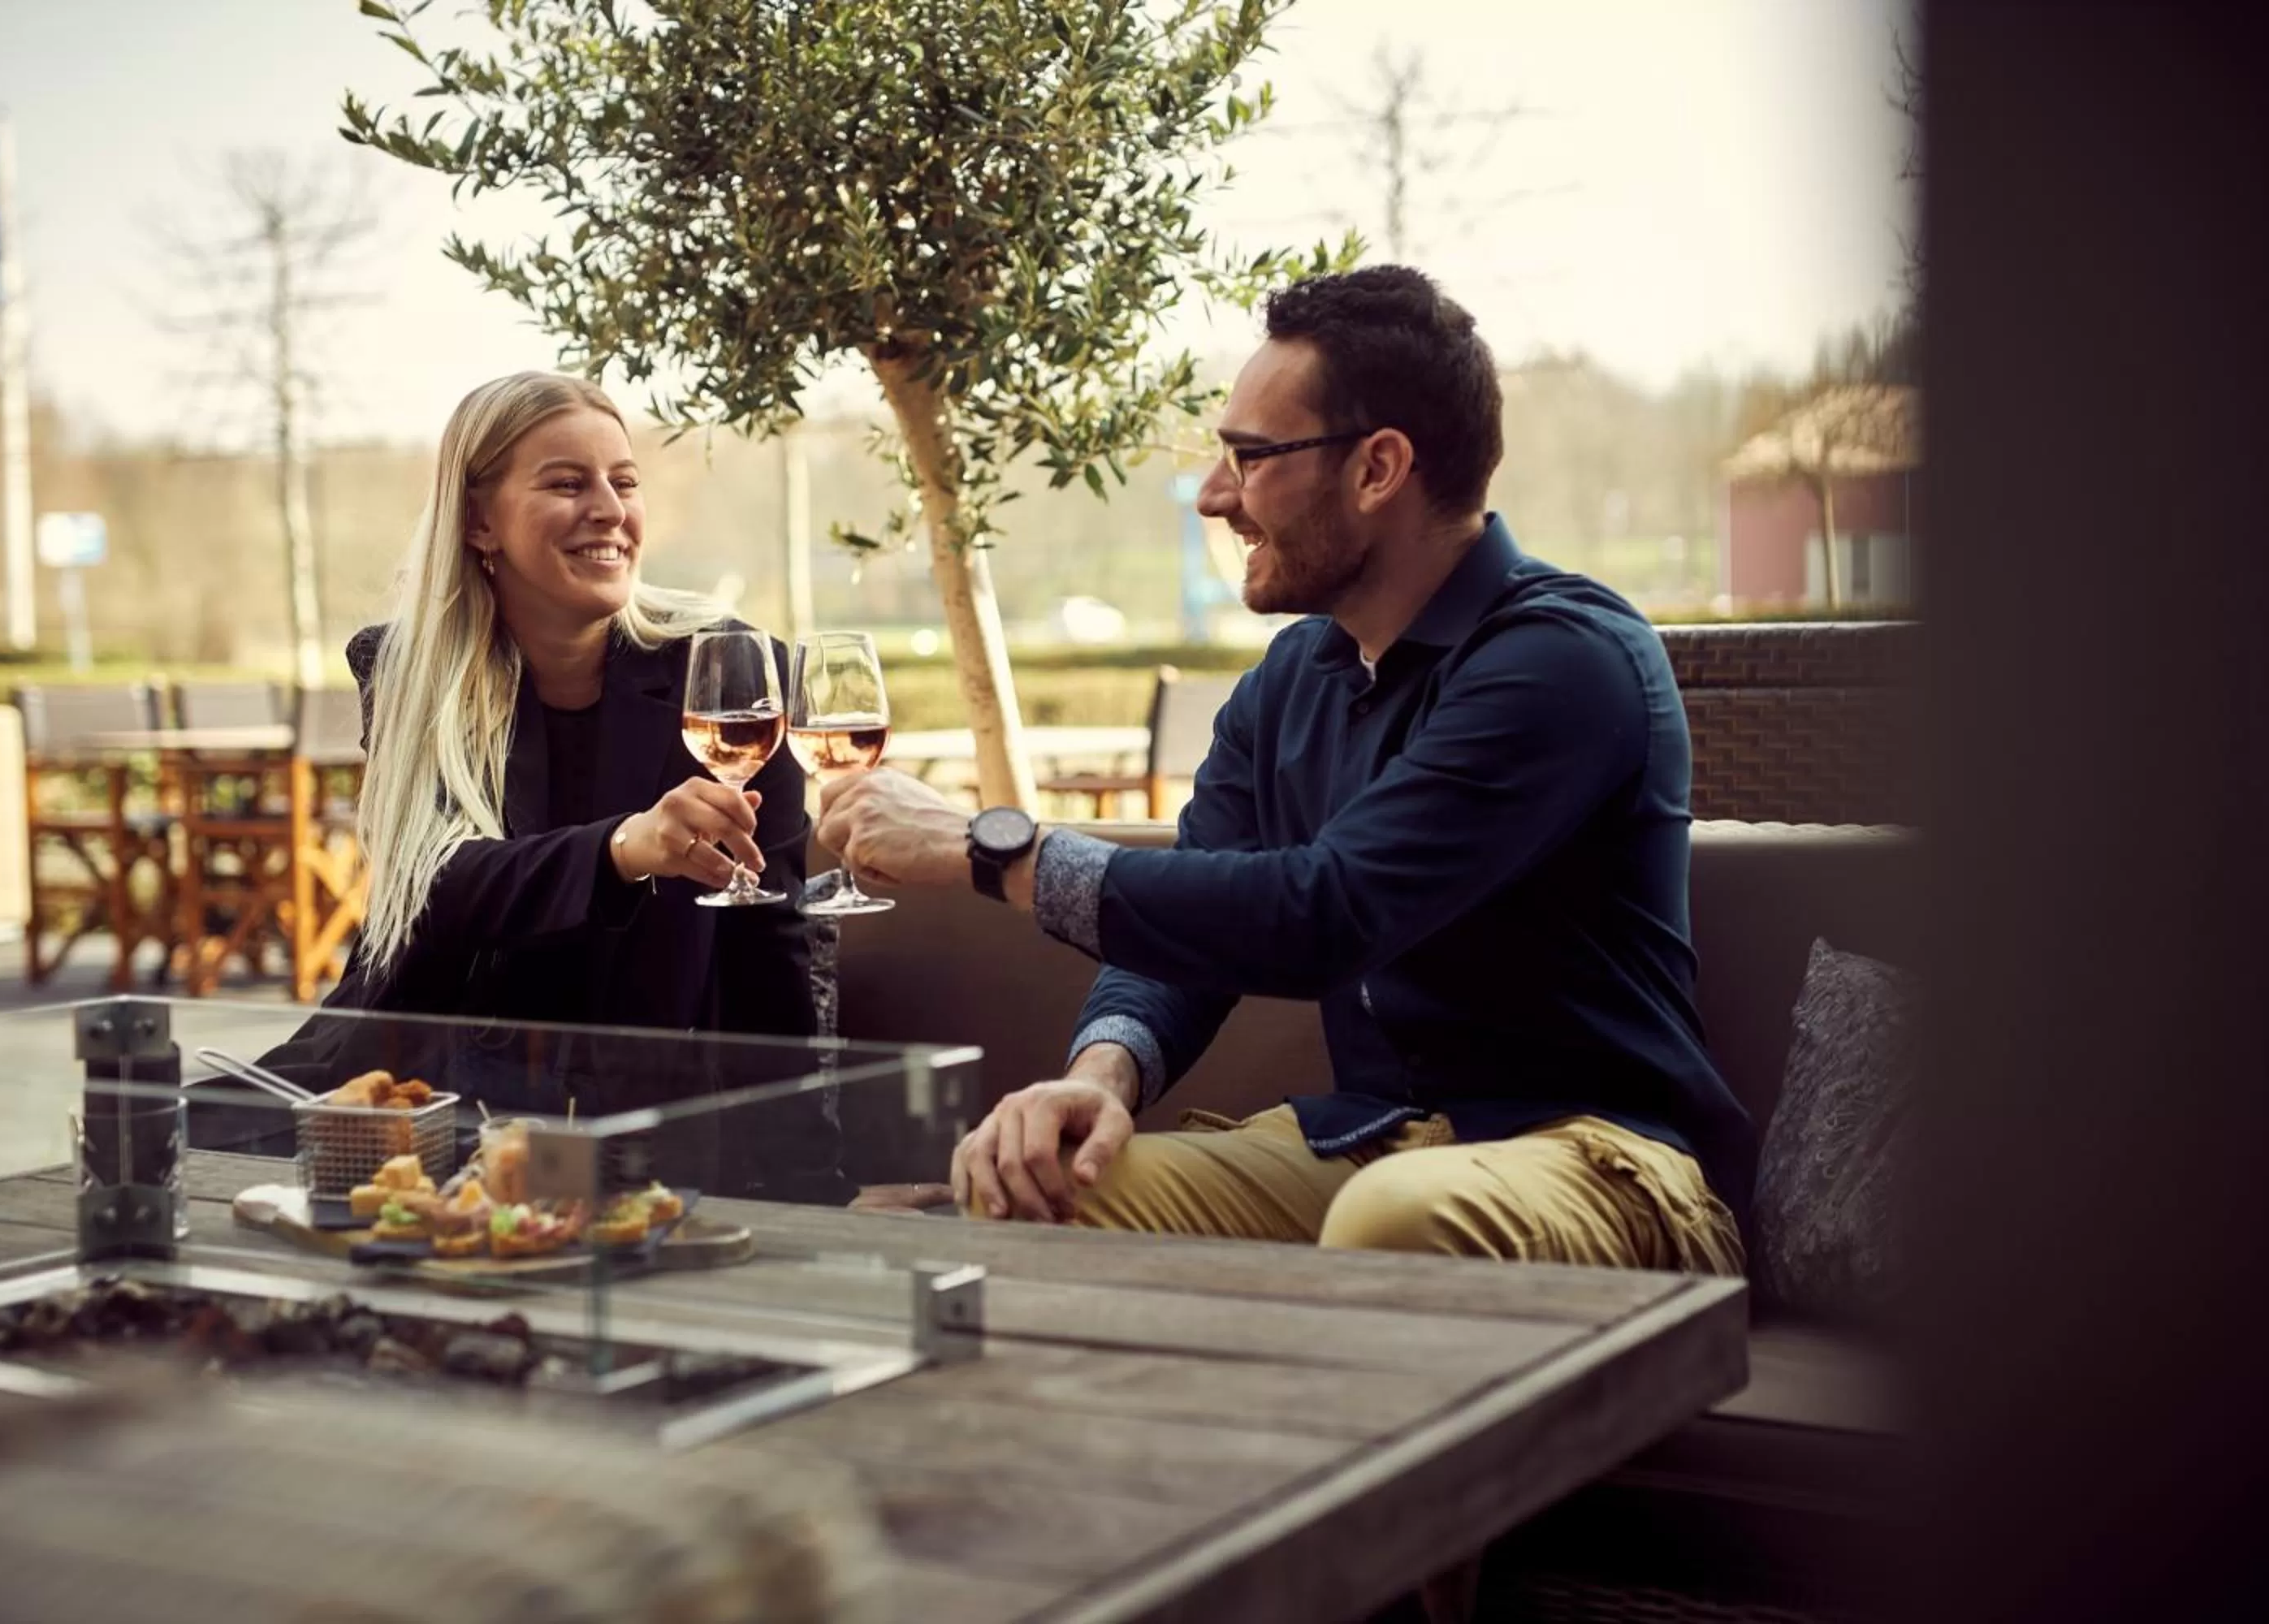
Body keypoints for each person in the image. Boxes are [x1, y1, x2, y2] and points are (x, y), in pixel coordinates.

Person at [819, 267, 1751, 1271]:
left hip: (1602, 1161)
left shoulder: (1566, 659)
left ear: (1378, 468)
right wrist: (1104, 1075)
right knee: (1026, 1192)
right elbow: (1193, 929)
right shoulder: (1291, 677)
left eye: (1251, 458)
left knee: (1392, 1223)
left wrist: (985, 844)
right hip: (1367, 1144)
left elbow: (1324, 911)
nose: (1217, 496)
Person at [252, 371, 854, 1203]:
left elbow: (776, 945)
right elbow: (435, 889)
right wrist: (621, 848)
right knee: (162, 1145)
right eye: (568, 483)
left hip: (636, 1114)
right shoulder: (406, 667)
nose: (609, 507)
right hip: (430, 1092)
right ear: (477, 520)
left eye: (624, 481)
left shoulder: (731, 673)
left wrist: (813, 1185)